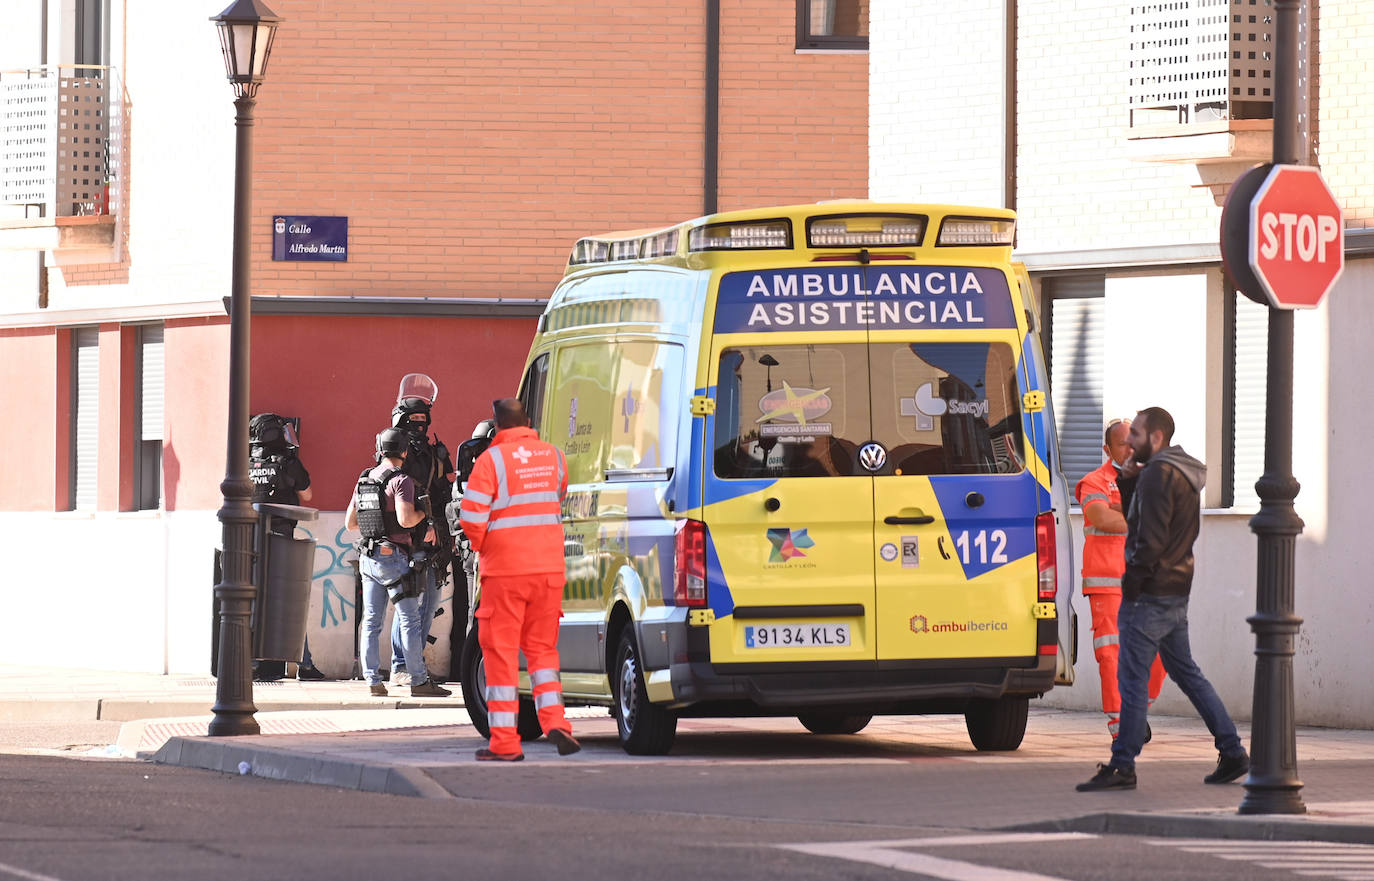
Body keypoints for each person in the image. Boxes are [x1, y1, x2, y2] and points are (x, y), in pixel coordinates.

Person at [1077, 407, 1249, 791]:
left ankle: (1123, 765)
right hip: (1176, 587)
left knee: (1132, 676)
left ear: (1155, 438)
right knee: (1188, 674)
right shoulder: (1181, 473)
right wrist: (1129, 483)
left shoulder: (1158, 474)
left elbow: (1148, 535)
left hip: (1150, 593)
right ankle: (1233, 750)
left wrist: (1134, 582)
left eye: (1135, 434)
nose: (1129, 442)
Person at [459, 398, 580, 761]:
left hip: (506, 575)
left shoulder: (490, 461)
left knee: (500, 655)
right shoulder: (554, 457)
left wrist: (486, 549)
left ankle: (506, 744)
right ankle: (556, 722)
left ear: (497, 427)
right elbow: (558, 497)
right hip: (548, 572)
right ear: (528, 422)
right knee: (543, 652)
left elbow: (471, 517)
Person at [344, 427, 452, 699]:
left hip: (368, 558)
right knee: (409, 620)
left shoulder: (364, 479)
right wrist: (422, 514)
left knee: (371, 621)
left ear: (380, 450)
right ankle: (418, 680)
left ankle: (372, 681)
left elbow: (350, 523)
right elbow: (405, 520)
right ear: (404, 452)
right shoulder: (401, 480)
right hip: (394, 559)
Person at [1076, 417, 1166, 740]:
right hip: (1107, 582)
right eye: (1121, 443)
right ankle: (1122, 727)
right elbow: (1100, 516)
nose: (1129, 448)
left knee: (1162, 648)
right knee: (1112, 652)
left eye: (1133, 442)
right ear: (1107, 449)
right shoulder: (1094, 481)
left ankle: (1136, 709)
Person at [387, 375, 457, 687]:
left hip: (435, 537)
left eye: (422, 419)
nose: (418, 424)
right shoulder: (396, 452)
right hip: (408, 536)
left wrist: (446, 531)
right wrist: (424, 523)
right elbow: (400, 493)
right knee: (408, 603)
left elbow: (443, 493)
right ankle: (402, 665)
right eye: (412, 419)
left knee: (431, 602)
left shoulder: (434, 452)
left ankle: (413, 665)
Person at [248, 413, 325, 682]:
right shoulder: (287, 462)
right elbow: (308, 494)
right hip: (280, 537)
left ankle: (252, 663)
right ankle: (303, 664)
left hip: (248, 539)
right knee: (291, 600)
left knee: (252, 600)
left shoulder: (244, 462)